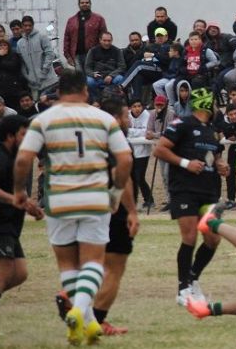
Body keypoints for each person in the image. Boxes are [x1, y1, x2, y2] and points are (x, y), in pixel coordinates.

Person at [13, 70, 132, 345]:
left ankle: (86, 321)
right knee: (93, 262)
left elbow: (23, 159)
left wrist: (20, 191)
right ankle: (82, 313)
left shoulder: (44, 119)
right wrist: (115, 192)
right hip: (95, 198)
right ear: (85, 91)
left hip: (60, 199)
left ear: (59, 91)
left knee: (67, 263)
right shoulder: (103, 118)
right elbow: (124, 160)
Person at [152, 88, 230, 305]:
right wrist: (186, 163)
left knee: (213, 238)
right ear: (206, 103)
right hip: (185, 188)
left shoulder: (213, 131)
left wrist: (222, 166)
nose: (216, 109)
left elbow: (215, 158)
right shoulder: (182, 124)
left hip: (209, 190)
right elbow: (160, 149)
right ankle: (183, 288)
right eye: (214, 104)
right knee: (189, 236)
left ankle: (193, 278)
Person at [84, 99, 140, 336]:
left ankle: (75, 299)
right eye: (126, 116)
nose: (128, 121)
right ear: (116, 117)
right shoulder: (117, 140)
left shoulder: (92, 139)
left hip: (90, 206)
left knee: (98, 264)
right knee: (115, 268)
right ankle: (96, 321)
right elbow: (122, 176)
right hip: (114, 211)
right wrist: (132, 211)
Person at [0, 115, 40, 336]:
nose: (28, 139)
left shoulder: (17, 158)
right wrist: (12, 200)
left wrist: (29, 206)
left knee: (19, 274)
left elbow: (17, 193)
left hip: (8, 224)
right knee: (4, 272)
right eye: (24, 134)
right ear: (10, 136)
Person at [16, 15, 58, 99]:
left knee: (50, 105)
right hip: (33, 84)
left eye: (29, 25)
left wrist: (44, 71)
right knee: (38, 107)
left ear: (33, 25)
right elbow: (21, 62)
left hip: (49, 80)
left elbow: (49, 54)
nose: (27, 28)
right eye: (25, 25)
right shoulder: (20, 43)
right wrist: (27, 76)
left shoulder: (41, 37)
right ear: (22, 26)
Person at [63, 0, 108, 70]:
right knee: (79, 78)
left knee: (91, 78)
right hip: (76, 55)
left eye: (87, 2)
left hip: (93, 55)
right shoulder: (71, 21)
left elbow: (104, 37)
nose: (84, 4)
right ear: (79, 5)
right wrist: (67, 56)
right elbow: (67, 38)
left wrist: (101, 54)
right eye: (82, 3)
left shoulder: (99, 19)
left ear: (90, 4)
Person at [146, 95, 174, 209]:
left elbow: (169, 132)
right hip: (159, 148)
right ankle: (169, 199)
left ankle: (173, 199)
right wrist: (154, 135)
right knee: (163, 174)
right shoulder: (152, 114)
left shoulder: (170, 114)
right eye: (157, 105)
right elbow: (149, 130)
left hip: (170, 149)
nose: (159, 107)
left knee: (169, 174)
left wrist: (155, 135)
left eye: (161, 105)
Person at [84, 31, 126, 103]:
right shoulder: (92, 51)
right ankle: (95, 101)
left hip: (112, 77)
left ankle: (117, 101)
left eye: (109, 41)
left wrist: (111, 75)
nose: (107, 43)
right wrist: (93, 74)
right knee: (89, 81)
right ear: (100, 40)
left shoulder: (117, 51)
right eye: (104, 40)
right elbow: (87, 67)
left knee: (120, 79)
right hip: (97, 77)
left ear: (112, 40)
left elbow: (122, 66)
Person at [127, 99, 153, 209]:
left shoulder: (147, 115)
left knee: (139, 177)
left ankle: (148, 200)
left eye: (139, 106)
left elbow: (147, 131)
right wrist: (137, 132)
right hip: (131, 150)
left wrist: (132, 132)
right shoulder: (127, 115)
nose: (137, 109)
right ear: (130, 108)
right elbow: (126, 130)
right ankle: (136, 201)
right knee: (133, 177)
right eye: (134, 106)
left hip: (143, 151)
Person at [0, 38, 25, 110]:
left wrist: (0, 61)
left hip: (12, 88)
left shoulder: (13, 54)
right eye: (0, 45)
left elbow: (13, 66)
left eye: (4, 45)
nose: (2, 47)